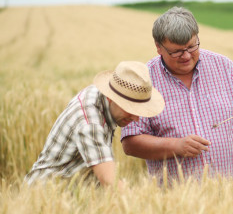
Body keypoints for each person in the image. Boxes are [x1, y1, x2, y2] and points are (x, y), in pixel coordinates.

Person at [121, 7, 233, 184]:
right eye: (177, 51)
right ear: (159, 47)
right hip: (175, 200)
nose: (186, 56)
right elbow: (131, 143)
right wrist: (177, 146)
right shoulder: (143, 81)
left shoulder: (224, 66)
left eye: (192, 46)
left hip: (229, 191)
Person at [25, 61, 165, 188]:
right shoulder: (89, 123)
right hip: (46, 194)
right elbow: (110, 182)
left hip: (69, 193)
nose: (136, 118)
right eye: (130, 109)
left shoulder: (98, 94)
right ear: (111, 98)